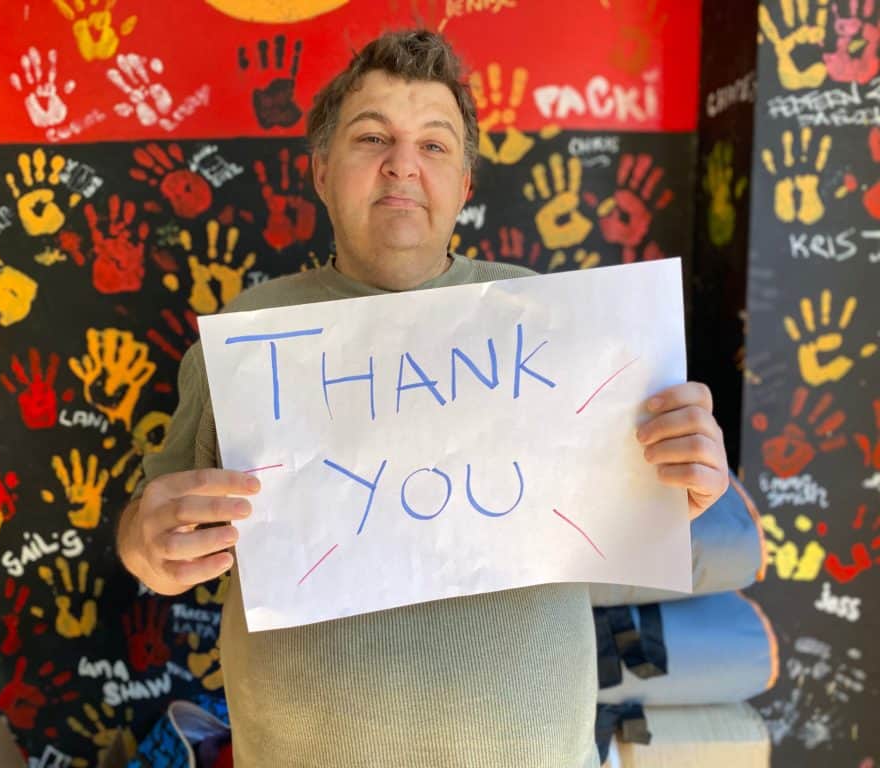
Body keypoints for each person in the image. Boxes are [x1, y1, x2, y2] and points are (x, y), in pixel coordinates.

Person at [116, 29, 729, 767]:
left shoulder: (559, 326)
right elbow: (150, 534)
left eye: (435, 145)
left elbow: (642, 519)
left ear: (465, 185)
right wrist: (147, 544)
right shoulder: (249, 334)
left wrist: (685, 482)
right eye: (372, 136)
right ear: (320, 170)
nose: (403, 163)